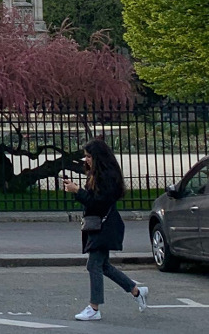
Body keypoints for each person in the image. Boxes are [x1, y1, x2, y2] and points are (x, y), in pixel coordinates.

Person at [62, 138, 147, 322]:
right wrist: (77, 190)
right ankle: (136, 290)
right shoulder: (99, 174)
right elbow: (94, 200)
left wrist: (77, 191)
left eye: (89, 156)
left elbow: (98, 203)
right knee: (104, 266)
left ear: (98, 157)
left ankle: (94, 307)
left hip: (105, 227)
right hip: (100, 225)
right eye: (85, 156)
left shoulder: (107, 177)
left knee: (94, 265)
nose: (86, 160)